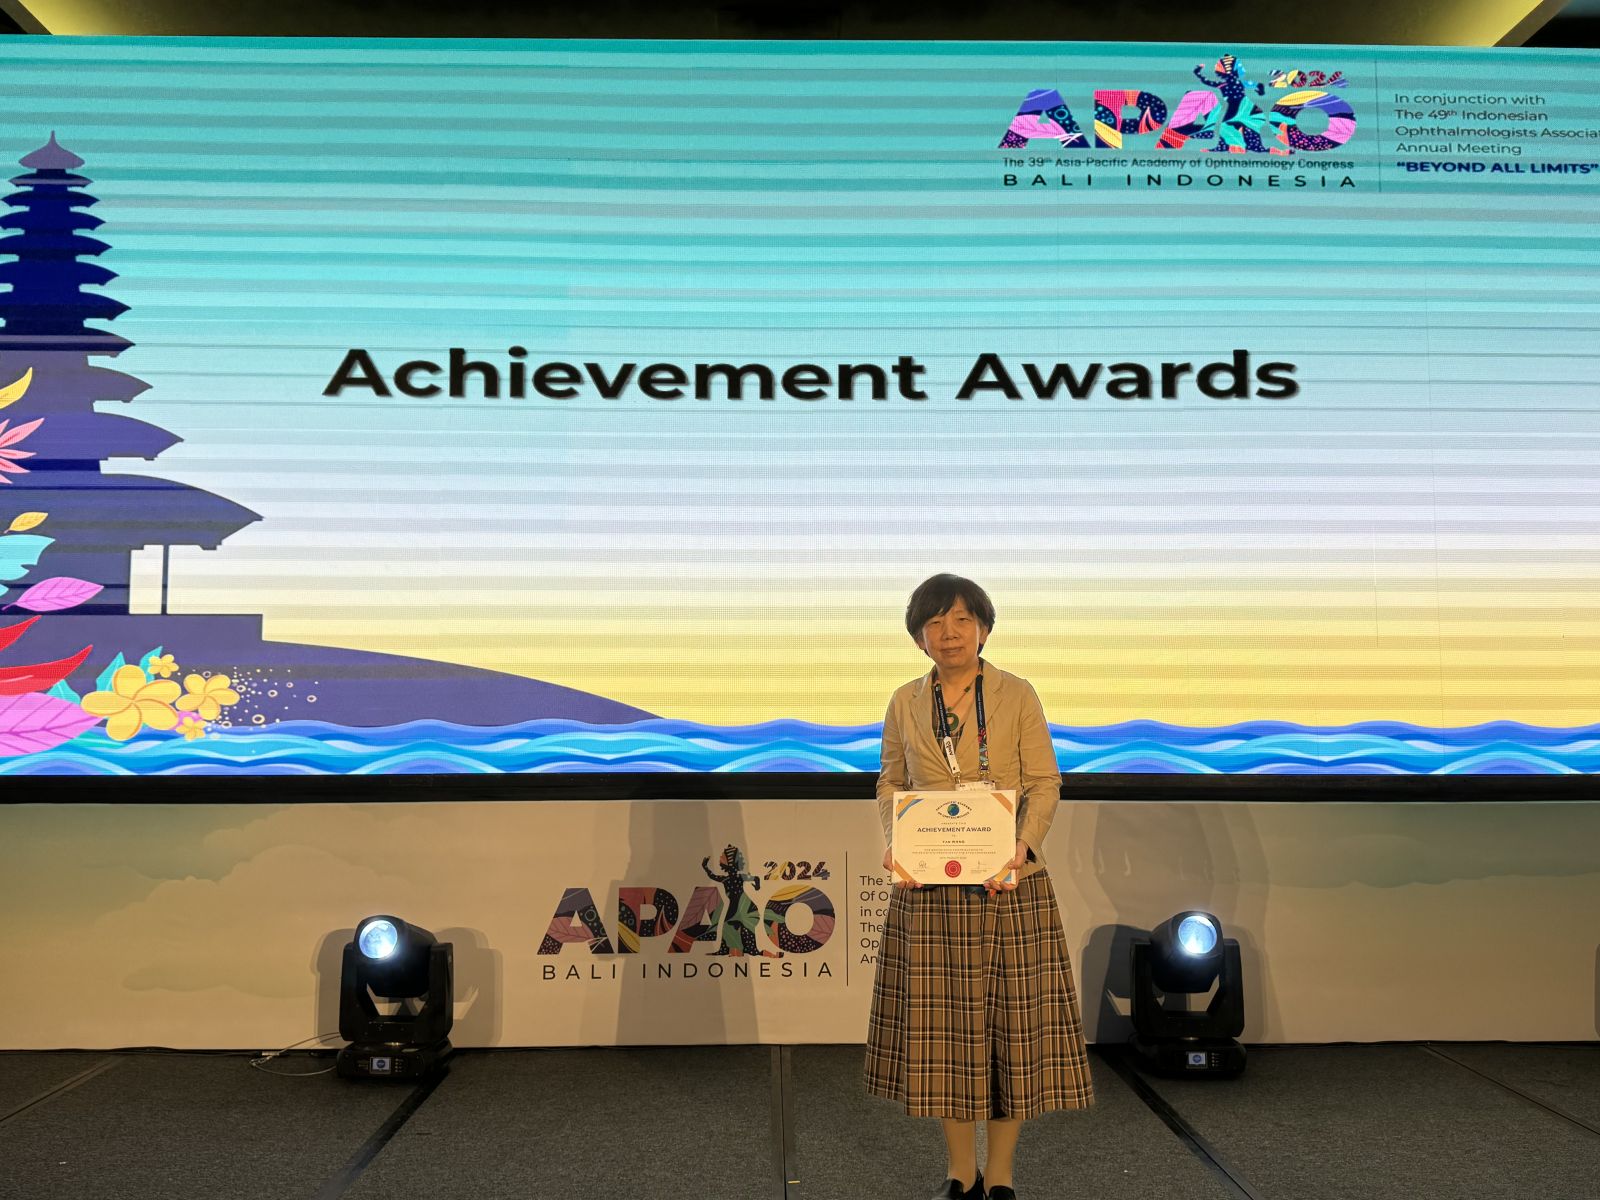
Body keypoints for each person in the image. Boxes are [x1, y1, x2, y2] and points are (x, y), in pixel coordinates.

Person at [865, 574, 1094, 1200]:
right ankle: (960, 1173)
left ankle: (1001, 1176)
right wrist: (899, 836)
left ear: (984, 629)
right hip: (931, 892)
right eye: (935, 623)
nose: (950, 634)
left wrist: (1023, 845)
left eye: (962, 620)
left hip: (1008, 887)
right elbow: (889, 782)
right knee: (945, 1038)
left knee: (1010, 1036)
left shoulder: (1017, 694)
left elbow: (1044, 783)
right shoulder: (905, 701)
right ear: (919, 637)